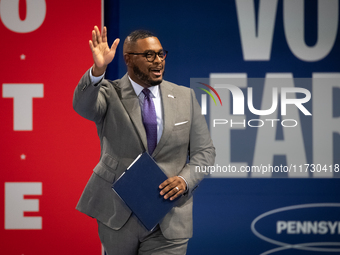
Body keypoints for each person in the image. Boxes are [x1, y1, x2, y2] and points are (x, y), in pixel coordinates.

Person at [73, 25, 215, 255]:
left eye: (161, 54)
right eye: (149, 55)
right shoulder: (110, 93)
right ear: (128, 59)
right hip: (118, 212)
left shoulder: (185, 97)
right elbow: (82, 106)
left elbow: (205, 152)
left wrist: (184, 180)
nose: (158, 61)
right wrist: (98, 71)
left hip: (170, 213)